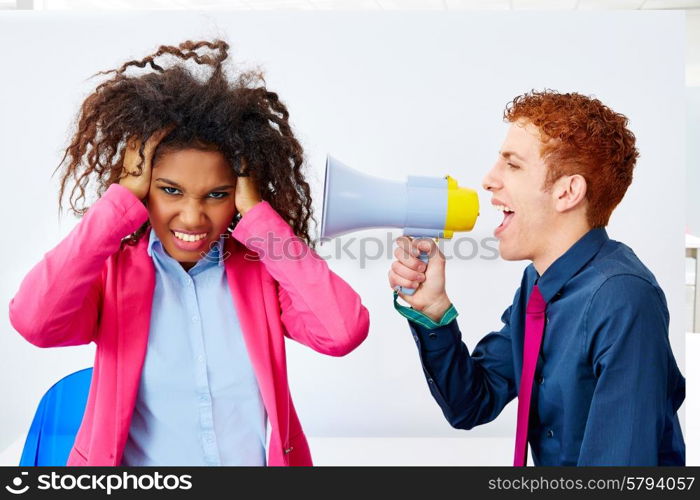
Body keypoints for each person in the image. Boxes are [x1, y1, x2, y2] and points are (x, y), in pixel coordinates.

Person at [9, 39, 369, 467]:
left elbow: (342, 330)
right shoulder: (115, 271)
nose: (193, 216)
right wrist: (117, 203)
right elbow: (34, 321)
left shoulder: (260, 271)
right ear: (143, 188)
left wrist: (259, 218)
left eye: (216, 194)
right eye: (170, 190)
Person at [388, 90, 685, 466]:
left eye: (511, 165)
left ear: (567, 192)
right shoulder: (538, 285)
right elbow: (471, 403)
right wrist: (433, 309)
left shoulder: (622, 298)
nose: (488, 180)